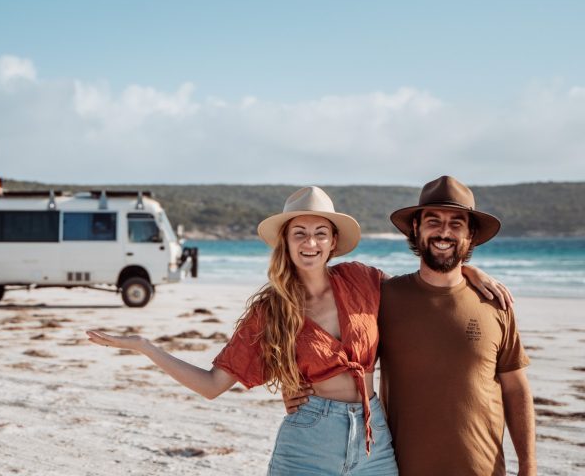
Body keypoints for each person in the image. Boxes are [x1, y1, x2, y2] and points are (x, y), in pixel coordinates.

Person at [87, 185, 510, 475]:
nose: (310, 242)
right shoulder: (271, 311)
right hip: (310, 437)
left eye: (320, 234)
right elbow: (213, 384)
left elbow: (421, 286)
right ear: (286, 242)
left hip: (373, 437)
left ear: (332, 241)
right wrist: (146, 347)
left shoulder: (362, 280)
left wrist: (467, 269)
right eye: (300, 233)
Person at [286, 176, 535, 476]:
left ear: (471, 234)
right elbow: (326, 334)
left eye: (456, 224)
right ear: (416, 228)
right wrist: (295, 384)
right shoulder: (383, 298)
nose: (444, 232)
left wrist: (528, 467)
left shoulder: (495, 303)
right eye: (433, 221)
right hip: (399, 468)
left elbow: (516, 388)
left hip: (483, 470)